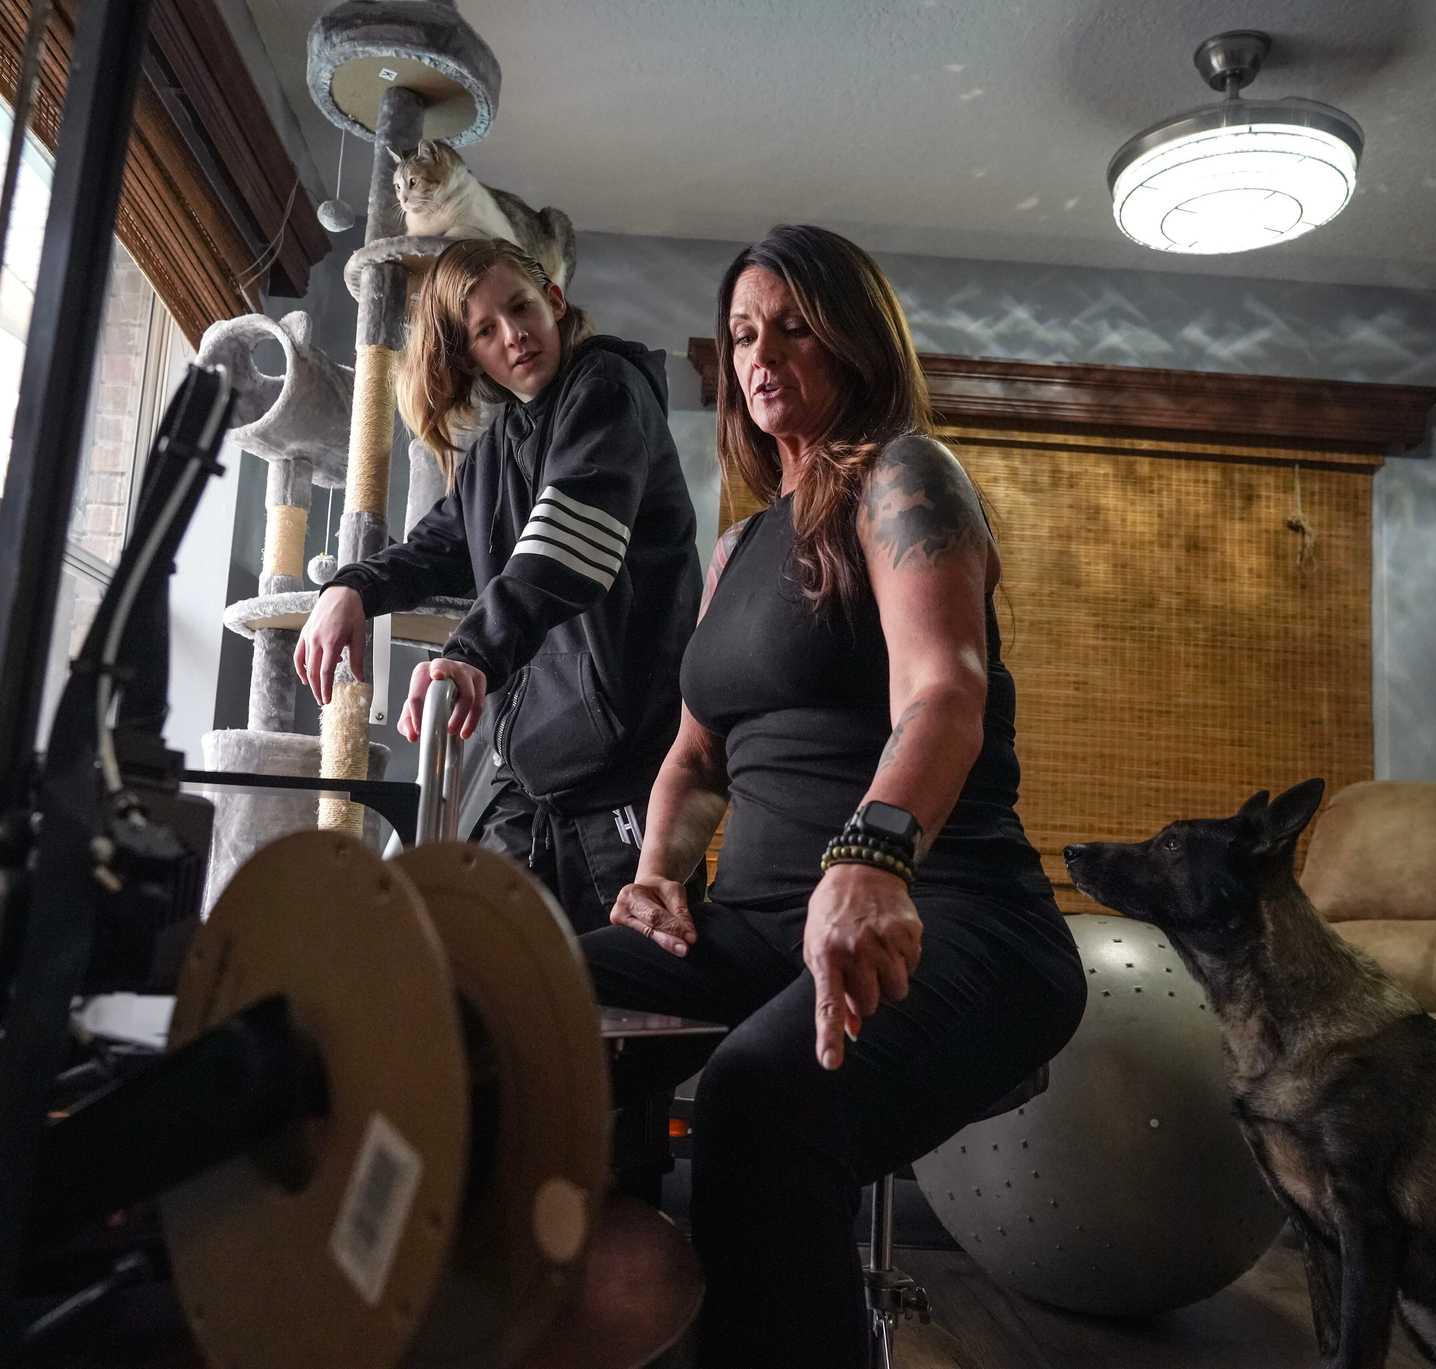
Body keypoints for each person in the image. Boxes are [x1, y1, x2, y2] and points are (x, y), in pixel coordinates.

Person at [579, 225, 1086, 1366]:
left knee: (759, 1100)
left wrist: (872, 854)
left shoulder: (905, 477)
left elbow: (942, 689)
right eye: (743, 333)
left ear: (853, 341)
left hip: (952, 911)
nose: (759, 353)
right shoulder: (740, 546)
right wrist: (657, 874)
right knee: (521, 994)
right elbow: (693, 761)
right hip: (760, 926)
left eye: (792, 326)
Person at [296, 238, 701, 935]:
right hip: (534, 786)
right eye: (486, 329)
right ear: (470, 353)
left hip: (627, 789)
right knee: (475, 972)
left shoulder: (607, 390)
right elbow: (434, 548)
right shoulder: (497, 449)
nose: (513, 335)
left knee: (616, 1018)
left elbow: (565, 546)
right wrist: (352, 588)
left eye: (520, 307)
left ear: (554, 300)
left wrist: (472, 653)